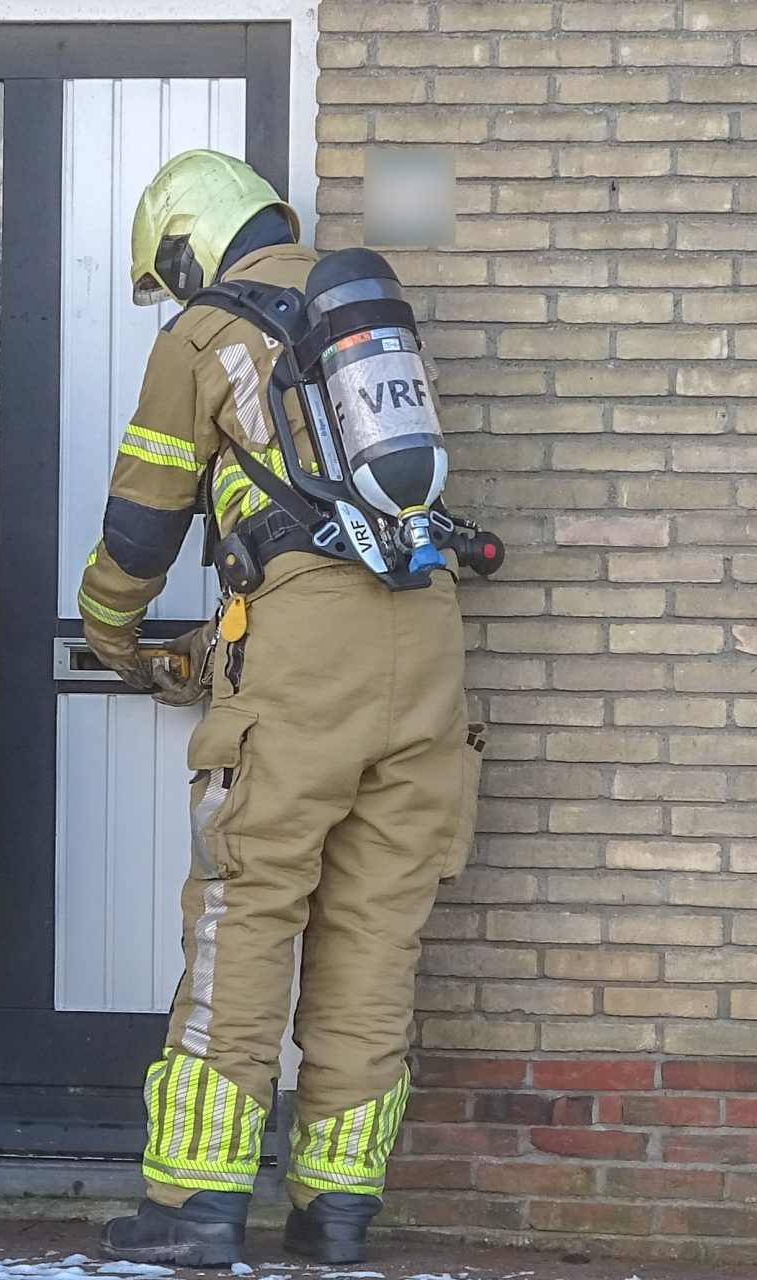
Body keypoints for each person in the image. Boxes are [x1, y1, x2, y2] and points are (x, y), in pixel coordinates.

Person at [81, 151, 482, 1268]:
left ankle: (197, 1207)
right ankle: (336, 1212)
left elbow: (141, 528)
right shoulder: (358, 322)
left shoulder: (204, 334)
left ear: (184, 247)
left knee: (243, 914)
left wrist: (108, 630)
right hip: (429, 642)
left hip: (305, 652)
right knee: (374, 938)